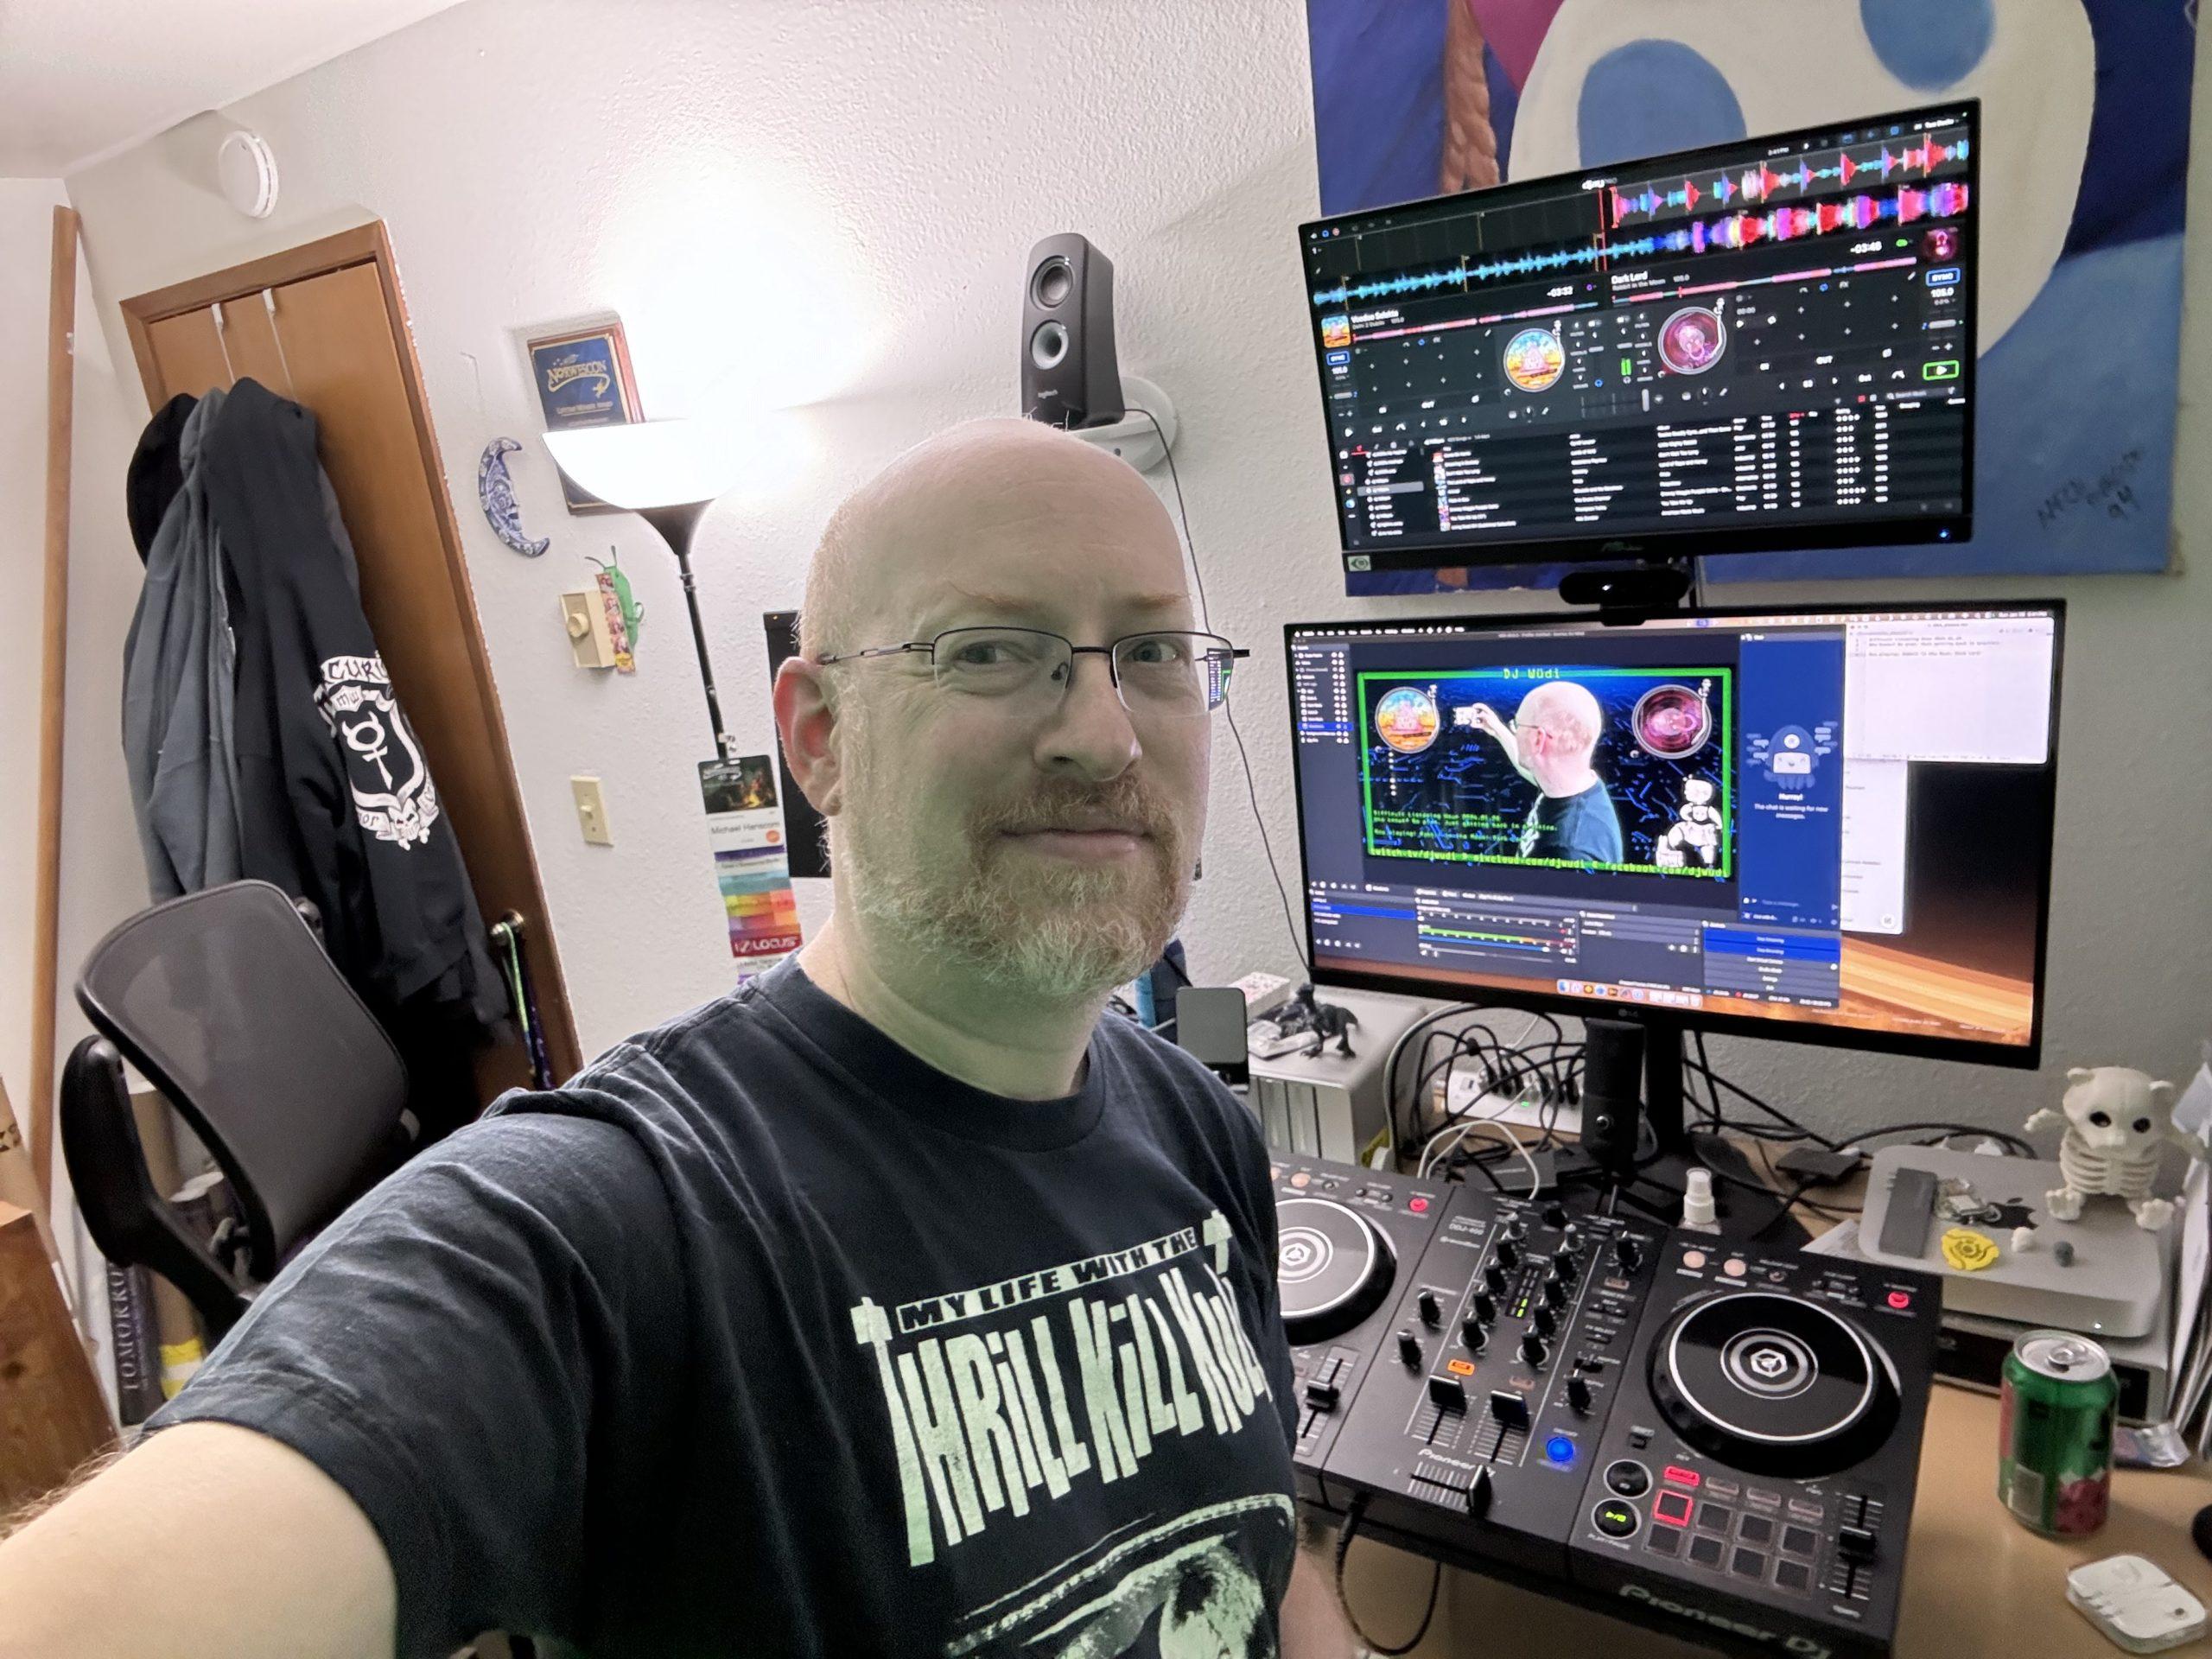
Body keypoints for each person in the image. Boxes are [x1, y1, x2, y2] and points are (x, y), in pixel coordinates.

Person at [0, 420, 1354, 1659]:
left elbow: (1261, 1534)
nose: (1105, 732)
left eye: (1158, 653)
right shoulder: (611, 1227)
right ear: (819, 742)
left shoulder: (1197, 1125)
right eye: (990, 650)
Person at [1470, 679, 1624, 865]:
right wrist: (1498, 730)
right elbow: (1535, 772)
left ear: (1538, 740)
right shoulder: (1575, 786)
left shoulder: (1567, 851)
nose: (1515, 732)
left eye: (1517, 726)